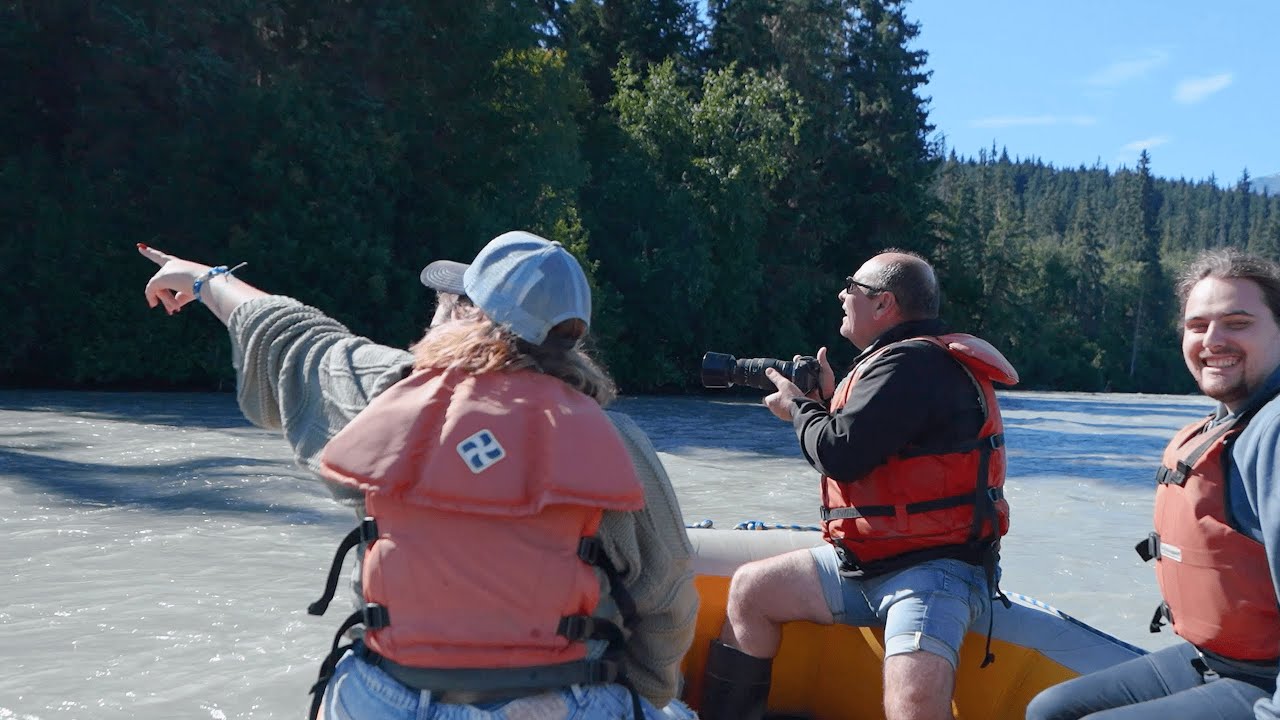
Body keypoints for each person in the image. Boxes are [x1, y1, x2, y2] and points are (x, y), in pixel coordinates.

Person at [138, 231, 699, 720]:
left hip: (385, 701)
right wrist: (645, 692)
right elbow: (668, 602)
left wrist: (206, 280)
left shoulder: (382, 392)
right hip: (555, 705)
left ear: (464, 316)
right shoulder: (615, 442)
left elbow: (294, 338)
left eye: (447, 300)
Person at [700, 250, 1018, 720]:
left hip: (934, 571)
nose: (842, 295)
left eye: (851, 286)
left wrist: (798, 407)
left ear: (883, 303)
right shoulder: (902, 363)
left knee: (912, 705)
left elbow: (839, 453)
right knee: (752, 592)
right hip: (866, 562)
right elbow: (870, 442)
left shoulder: (912, 364)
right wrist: (825, 401)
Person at [1026, 248, 1280, 720]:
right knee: (1050, 709)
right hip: (1216, 660)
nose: (1213, 340)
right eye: (1198, 325)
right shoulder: (1229, 422)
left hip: (1266, 679)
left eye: (1238, 323)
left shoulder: (1275, 430)